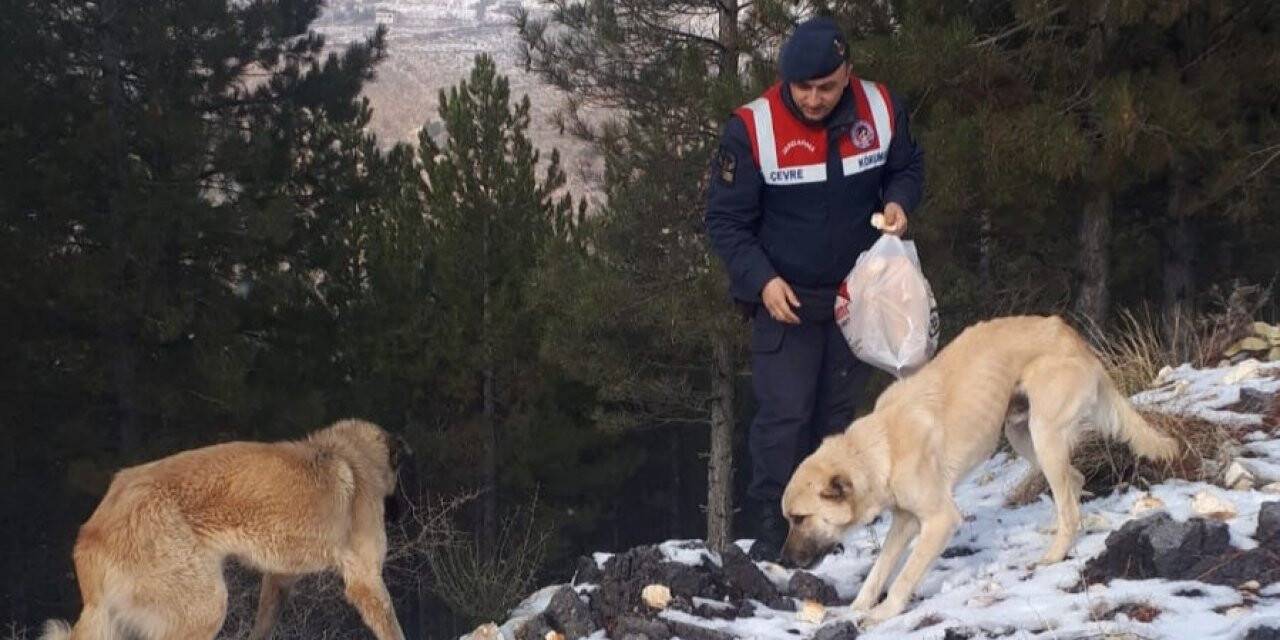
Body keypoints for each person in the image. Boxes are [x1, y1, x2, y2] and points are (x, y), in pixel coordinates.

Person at [704, 16, 925, 561]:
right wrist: (761, 281)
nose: (813, 98)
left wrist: (899, 201)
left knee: (839, 422)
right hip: (785, 301)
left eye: (825, 86)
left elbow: (908, 166)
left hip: (858, 298)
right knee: (784, 420)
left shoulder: (879, 108)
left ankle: (832, 538)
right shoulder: (752, 128)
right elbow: (725, 222)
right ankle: (766, 540)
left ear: (847, 72)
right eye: (801, 87)